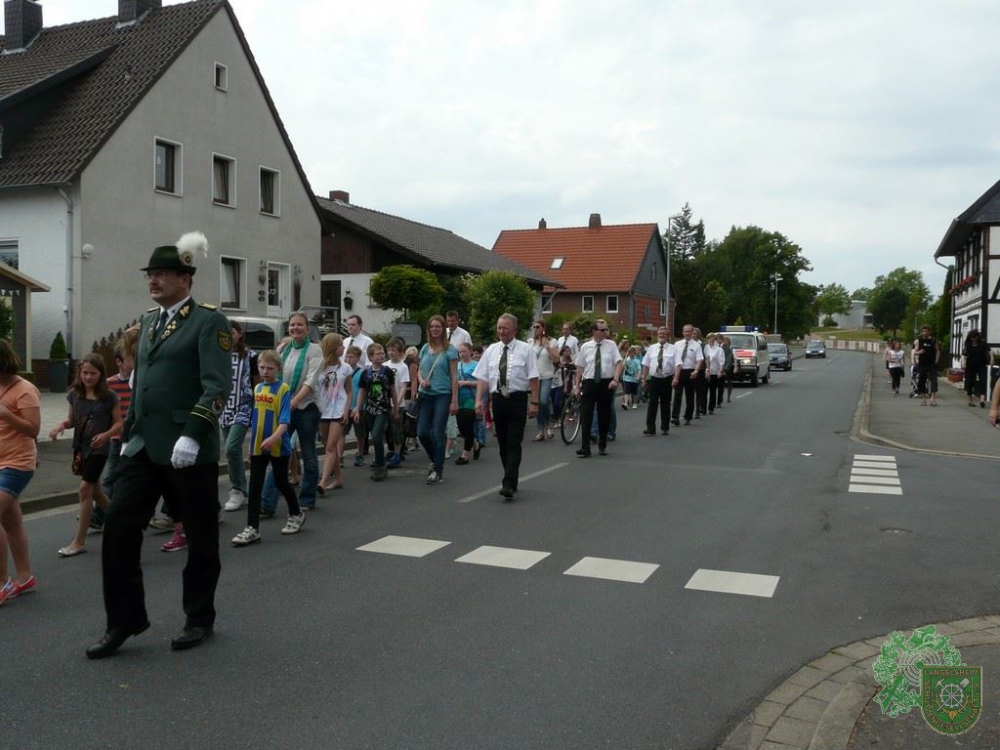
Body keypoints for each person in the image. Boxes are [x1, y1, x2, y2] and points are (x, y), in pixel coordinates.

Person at [87, 233, 231, 658]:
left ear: (185, 279)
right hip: (144, 448)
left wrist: (193, 432)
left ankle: (199, 617)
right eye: (151, 274)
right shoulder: (148, 322)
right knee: (118, 530)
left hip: (188, 449)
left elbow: (217, 387)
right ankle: (125, 620)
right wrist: (129, 431)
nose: (154, 280)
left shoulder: (209, 322)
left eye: (163, 274)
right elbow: (142, 383)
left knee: (202, 537)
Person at [50, 353, 122, 557]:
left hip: (99, 449)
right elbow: (72, 420)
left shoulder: (109, 397)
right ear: (79, 373)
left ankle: (78, 541)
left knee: (85, 490)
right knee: (96, 492)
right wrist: (61, 425)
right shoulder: (74, 394)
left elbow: (118, 422)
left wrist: (106, 435)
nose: (89, 377)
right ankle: (122, 521)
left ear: (101, 374)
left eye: (93, 373)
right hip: (81, 448)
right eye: (85, 373)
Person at [232, 349, 305, 547]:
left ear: (278, 369)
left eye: (270, 368)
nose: (265, 371)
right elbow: (255, 420)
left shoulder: (283, 389)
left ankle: (296, 512)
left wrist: (274, 438)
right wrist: (251, 447)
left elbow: (284, 420)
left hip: (278, 445)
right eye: (262, 367)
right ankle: (252, 528)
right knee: (254, 486)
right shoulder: (258, 389)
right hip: (258, 445)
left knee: (281, 482)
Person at [260, 312, 322, 513]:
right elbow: (275, 375)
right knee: (278, 453)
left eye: (300, 325)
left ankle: (306, 499)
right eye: (292, 325)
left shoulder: (315, 351)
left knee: (309, 454)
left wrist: (293, 401)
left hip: (306, 410)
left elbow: (310, 381)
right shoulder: (283, 348)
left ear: (307, 328)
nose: (296, 328)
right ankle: (267, 504)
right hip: (284, 408)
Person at [474, 314, 539, 499]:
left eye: (505, 328)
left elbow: (534, 378)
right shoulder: (492, 351)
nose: (501, 331)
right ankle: (512, 475)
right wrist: (479, 400)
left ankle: (508, 482)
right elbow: (483, 377)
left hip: (517, 399)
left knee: (513, 442)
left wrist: (534, 403)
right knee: (502, 443)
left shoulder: (526, 350)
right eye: (499, 328)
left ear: (514, 330)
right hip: (498, 400)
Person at [0, 340, 40, 607]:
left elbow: (33, 429)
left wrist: (6, 415)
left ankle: (2, 583)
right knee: (11, 522)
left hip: (17, 463)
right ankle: (24, 577)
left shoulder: (24, 389)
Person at [416, 315, 459, 484]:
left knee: (438, 433)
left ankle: (438, 470)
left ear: (443, 329)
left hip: (442, 394)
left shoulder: (450, 350)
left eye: (438, 327)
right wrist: (421, 381)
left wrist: (454, 400)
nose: (435, 329)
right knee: (422, 432)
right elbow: (419, 370)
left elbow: (454, 376)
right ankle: (436, 459)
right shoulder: (425, 348)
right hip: (425, 394)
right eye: (432, 327)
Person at [573, 319, 623, 457]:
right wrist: (576, 386)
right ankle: (585, 447)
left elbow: (619, 363)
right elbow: (580, 367)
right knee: (586, 415)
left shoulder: (611, 345)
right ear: (594, 331)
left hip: (606, 383)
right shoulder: (585, 347)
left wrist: (615, 379)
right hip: (589, 383)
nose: (605, 332)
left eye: (606, 330)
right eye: (602, 330)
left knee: (604, 415)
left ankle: (602, 444)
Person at [222, 321, 257, 512]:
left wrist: (258, 407)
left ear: (239, 334)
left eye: (231, 332)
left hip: (244, 406)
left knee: (231, 447)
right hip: (224, 407)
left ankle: (237, 489)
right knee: (231, 452)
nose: (228, 336)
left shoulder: (250, 356)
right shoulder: (219, 355)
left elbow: (256, 383)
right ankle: (243, 490)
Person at [353, 343, 400, 482]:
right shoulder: (365, 373)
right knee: (375, 437)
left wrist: (395, 408)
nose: (381, 356)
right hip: (369, 409)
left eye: (382, 353)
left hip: (383, 409)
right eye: (378, 354)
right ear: (371, 357)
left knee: (376, 434)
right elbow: (362, 391)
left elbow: (393, 391)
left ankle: (380, 465)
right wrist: (357, 408)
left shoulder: (387, 371)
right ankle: (379, 460)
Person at [100, 337, 135, 521]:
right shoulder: (109, 385)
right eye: (130, 359)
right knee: (111, 477)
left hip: (135, 439)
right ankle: (99, 515)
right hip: (117, 439)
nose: (134, 362)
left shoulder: (139, 383)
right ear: (119, 362)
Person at [316, 333, 353, 492]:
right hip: (323, 410)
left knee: (331, 446)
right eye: (340, 345)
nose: (343, 347)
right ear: (332, 347)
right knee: (327, 446)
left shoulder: (345, 367)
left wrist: (346, 410)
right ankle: (338, 478)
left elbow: (349, 391)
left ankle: (323, 481)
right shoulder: (319, 366)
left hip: (338, 410)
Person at [640, 326, 675, 436]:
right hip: (654, 379)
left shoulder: (673, 349)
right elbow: (646, 364)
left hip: (667, 378)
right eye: (660, 333)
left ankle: (665, 427)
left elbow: (678, 364)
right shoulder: (652, 348)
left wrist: (676, 378)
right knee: (652, 403)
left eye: (664, 333)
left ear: (667, 336)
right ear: (657, 335)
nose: (661, 335)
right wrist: (643, 378)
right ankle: (650, 428)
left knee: (665, 403)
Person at [529, 320, 558, 441]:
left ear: (544, 328)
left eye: (538, 327)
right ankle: (541, 429)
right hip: (534, 377)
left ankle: (548, 425)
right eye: (534, 327)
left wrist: (547, 347)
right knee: (536, 403)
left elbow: (556, 359)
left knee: (543, 401)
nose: (536, 329)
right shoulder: (531, 343)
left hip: (546, 375)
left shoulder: (552, 341)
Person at [385, 338, 412, 468]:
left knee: (397, 429)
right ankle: (389, 451)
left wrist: (397, 402)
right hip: (385, 403)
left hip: (397, 404)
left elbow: (403, 386)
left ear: (399, 351)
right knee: (387, 429)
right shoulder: (385, 366)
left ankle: (397, 453)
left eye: (393, 350)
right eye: (389, 350)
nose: (391, 352)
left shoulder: (403, 367)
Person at [672, 323, 704, 426]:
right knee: (677, 395)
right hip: (679, 371)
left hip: (690, 371)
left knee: (690, 396)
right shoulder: (677, 344)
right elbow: (673, 359)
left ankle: (688, 416)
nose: (687, 333)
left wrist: (696, 371)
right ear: (683, 332)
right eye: (685, 331)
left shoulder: (696, 345)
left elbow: (699, 359)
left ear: (692, 332)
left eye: (689, 331)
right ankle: (675, 417)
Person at [454, 343, 479, 464]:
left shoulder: (476, 365)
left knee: (468, 425)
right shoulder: (456, 366)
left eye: (464, 351)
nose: (462, 354)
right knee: (461, 426)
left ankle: (465, 455)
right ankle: (474, 443)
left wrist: (466, 383)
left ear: (470, 352)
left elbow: (482, 382)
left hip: (471, 398)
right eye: (460, 352)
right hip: (458, 399)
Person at [962, 329, 990, 408]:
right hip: (970, 365)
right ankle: (970, 400)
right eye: (972, 337)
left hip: (981, 364)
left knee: (982, 381)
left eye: (975, 337)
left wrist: (991, 359)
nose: (973, 339)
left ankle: (982, 400)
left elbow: (989, 351)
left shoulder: (983, 343)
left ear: (977, 337)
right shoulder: (968, 344)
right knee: (970, 382)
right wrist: (963, 363)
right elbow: (964, 354)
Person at [913, 325, 939, 407]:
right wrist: (919, 352)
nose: (925, 333)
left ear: (929, 332)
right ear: (921, 332)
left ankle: (933, 398)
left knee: (933, 381)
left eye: (927, 331)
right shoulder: (919, 341)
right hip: (922, 363)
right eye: (923, 331)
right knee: (922, 380)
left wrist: (936, 361)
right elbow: (915, 352)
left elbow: (938, 351)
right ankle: (924, 399)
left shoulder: (933, 340)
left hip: (931, 363)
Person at [704, 333, 725, 414]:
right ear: (707, 339)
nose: (711, 340)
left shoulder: (719, 350)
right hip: (705, 372)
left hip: (714, 372)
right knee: (703, 391)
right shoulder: (705, 348)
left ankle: (711, 407)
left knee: (712, 391)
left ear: (715, 340)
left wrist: (720, 371)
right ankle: (703, 407)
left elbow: (721, 361)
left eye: (713, 338)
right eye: (710, 338)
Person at [622, 346, 641, 410]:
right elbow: (623, 365)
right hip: (627, 378)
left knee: (634, 393)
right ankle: (626, 404)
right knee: (627, 391)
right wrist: (626, 356)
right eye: (630, 352)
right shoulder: (627, 359)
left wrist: (638, 376)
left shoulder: (637, 361)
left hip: (634, 379)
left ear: (634, 353)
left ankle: (635, 403)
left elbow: (639, 369)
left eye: (632, 352)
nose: (631, 353)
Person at [721, 336, 735, 404]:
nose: (725, 342)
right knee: (722, 383)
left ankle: (728, 397)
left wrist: (736, 367)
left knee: (730, 382)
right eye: (724, 341)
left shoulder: (731, 349)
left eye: (726, 341)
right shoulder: (721, 348)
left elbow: (735, 358)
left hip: (730, 367)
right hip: (723, 366)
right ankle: (721, 396)